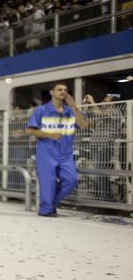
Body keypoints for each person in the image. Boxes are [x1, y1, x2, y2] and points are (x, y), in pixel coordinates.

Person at [26, 83, 88, 216]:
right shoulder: (41, 110)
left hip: (66, 153)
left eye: (65, 90)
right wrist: (48, 135)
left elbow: (83, 125)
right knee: (48, 182)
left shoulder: (70, 111)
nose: (63, 92)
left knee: (71, 179)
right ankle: (46, 210)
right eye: (59, 89)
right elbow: (30, 130)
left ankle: (51, 203)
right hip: (46, 152)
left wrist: (73, 106)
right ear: (51, 92)